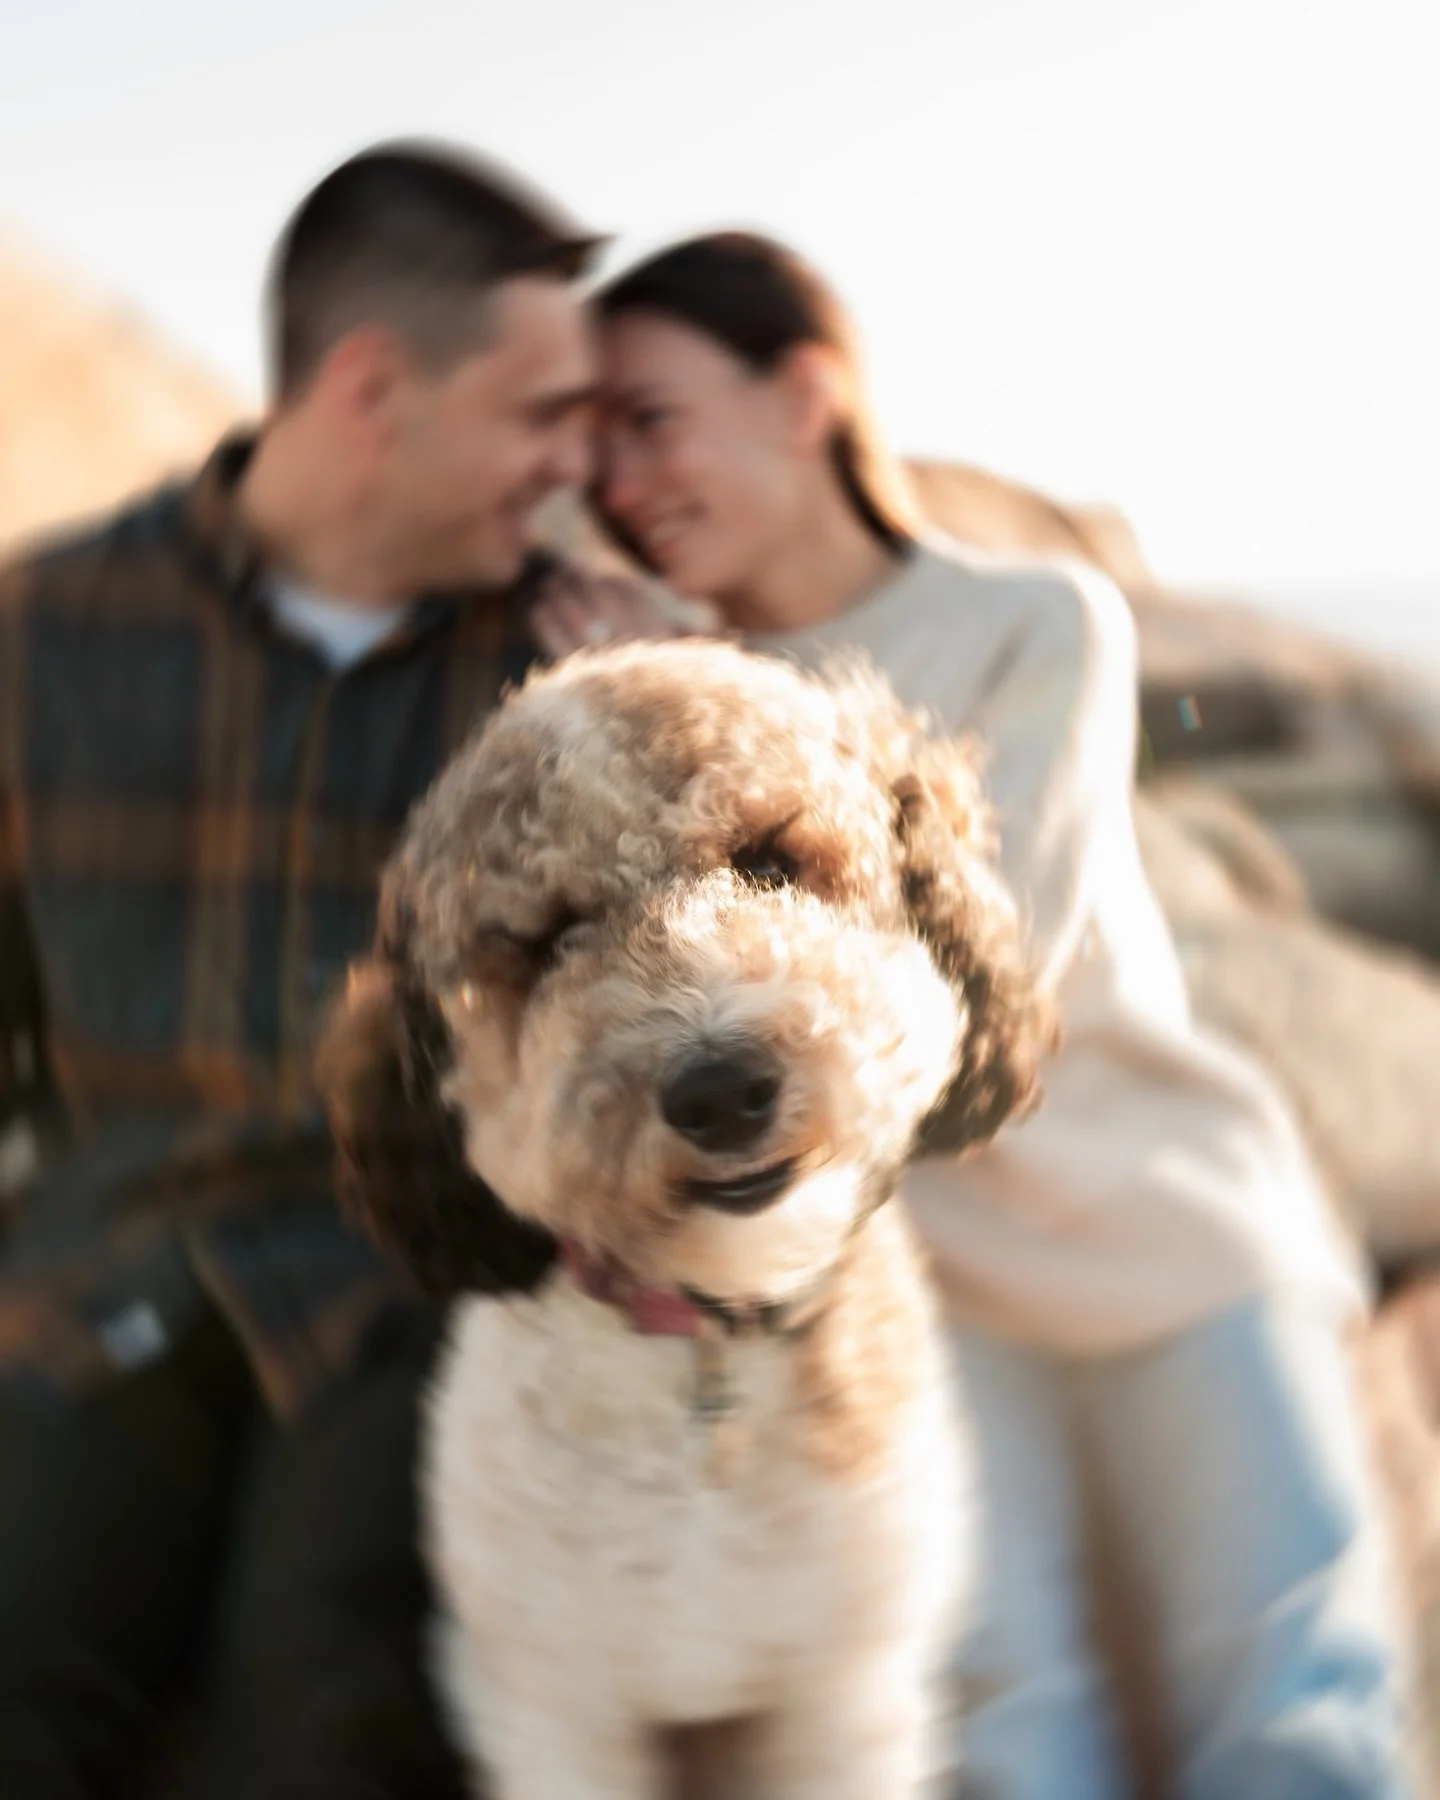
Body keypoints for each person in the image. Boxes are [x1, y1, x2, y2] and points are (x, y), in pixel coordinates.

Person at [528, 230, 1414, 1799]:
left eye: (650, 418)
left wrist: (693, 691)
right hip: (916, 1292)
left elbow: (975, 947)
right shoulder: (661, 692)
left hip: (1177, 1232)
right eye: (592, 442)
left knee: (1296, 1723)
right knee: (1011, 1731)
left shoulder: (1040, 617)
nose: (620, 476)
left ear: (805, 393)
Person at [0, 139, 607, 1798]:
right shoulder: (41, 632)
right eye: (539, 414)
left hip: (411, 1288)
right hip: (99, 1279)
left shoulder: (564, 668)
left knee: (322, 1717)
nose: (573, 463)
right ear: (369, 387)